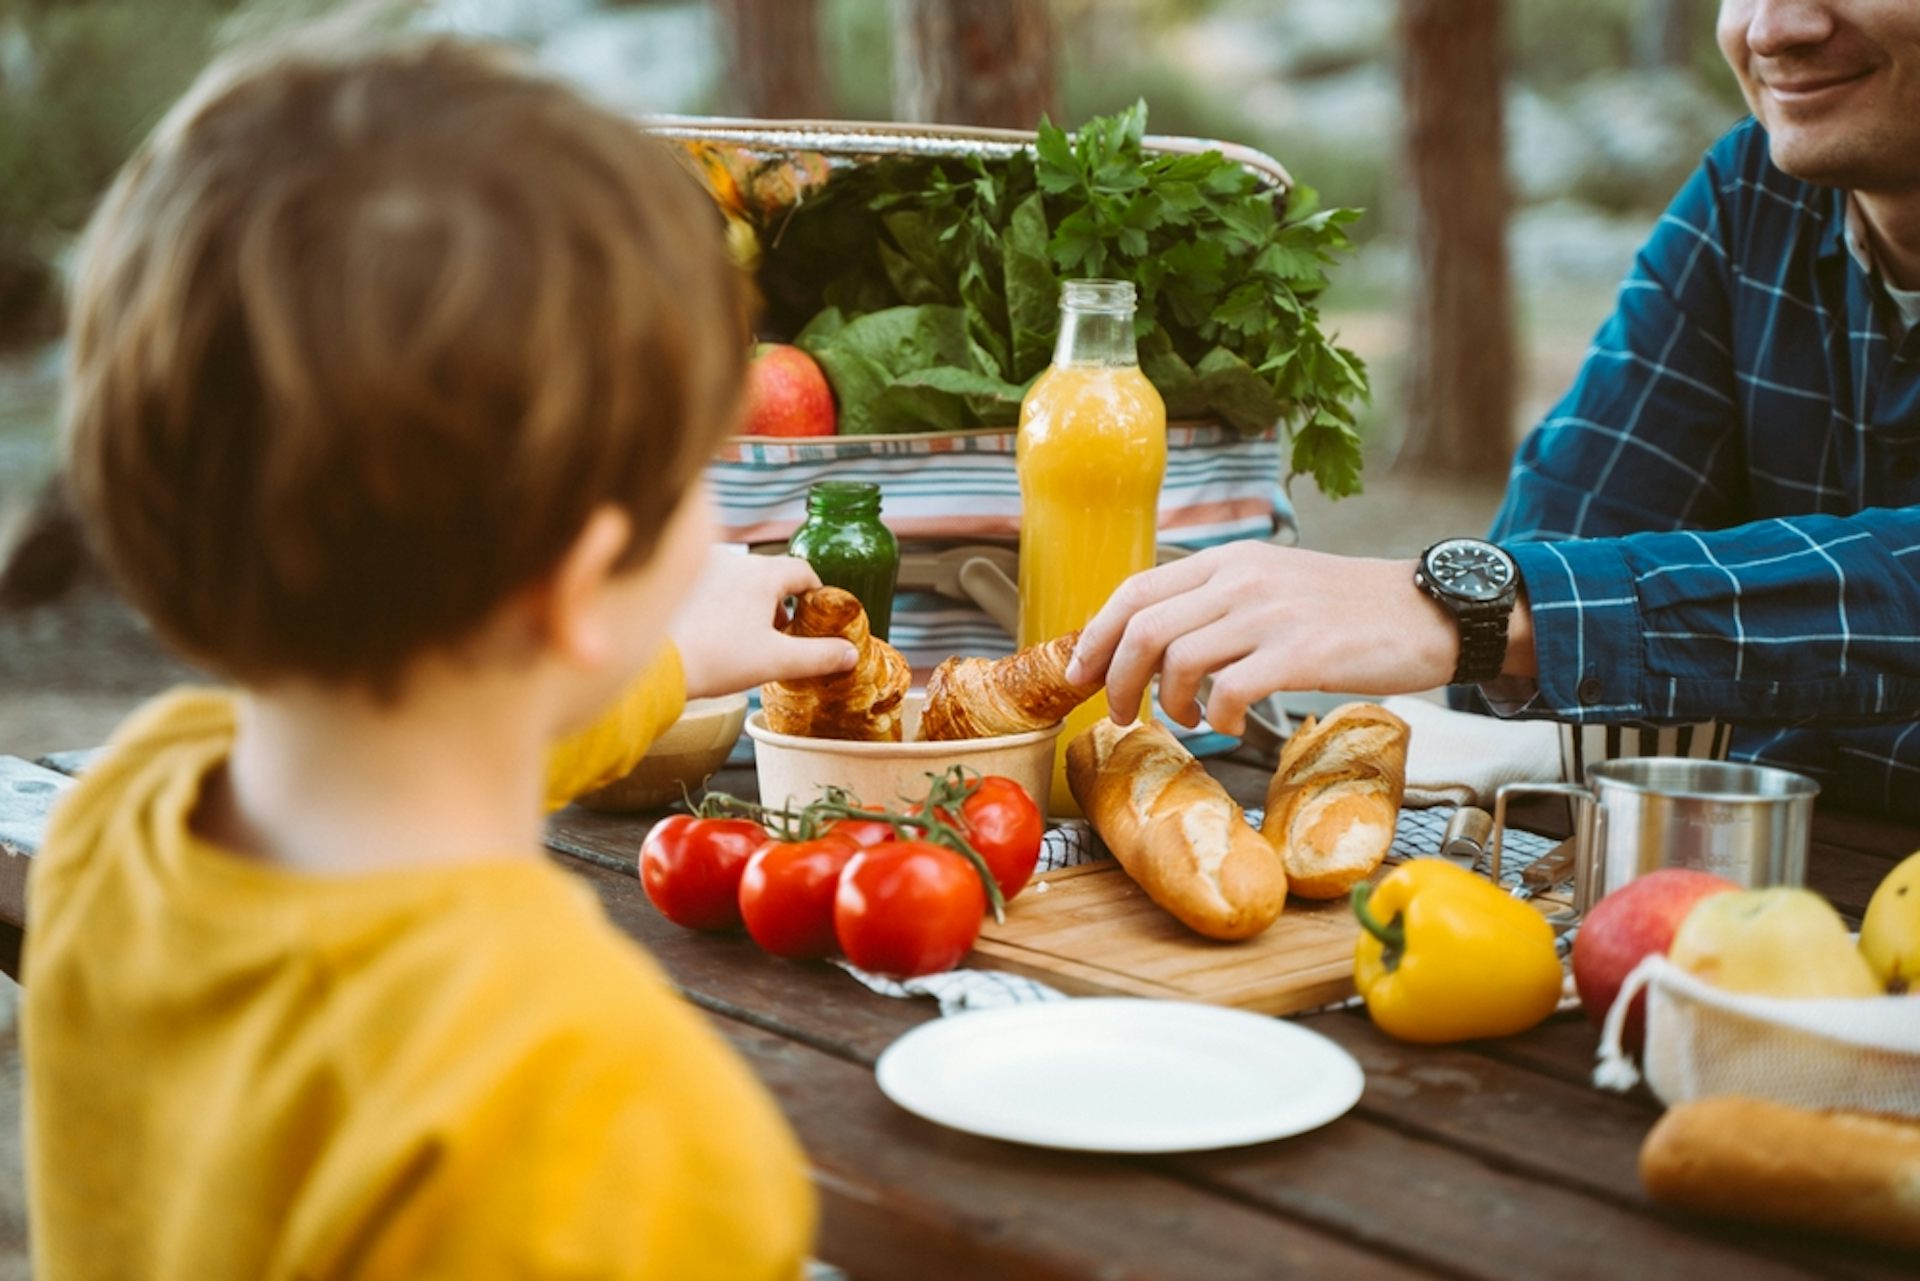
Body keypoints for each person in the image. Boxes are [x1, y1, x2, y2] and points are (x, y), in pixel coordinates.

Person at [24, 34, 858, 1280]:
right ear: (580, 583)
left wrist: (668, 657)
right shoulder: (607, 1105)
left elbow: (424, 736)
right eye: (696, 473)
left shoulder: (128, 813)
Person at [1068, 0, 1920, 819]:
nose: (1774, 28)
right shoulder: (1751, 191)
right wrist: (1498, 621)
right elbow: (1558, 561)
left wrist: (1481, 613)